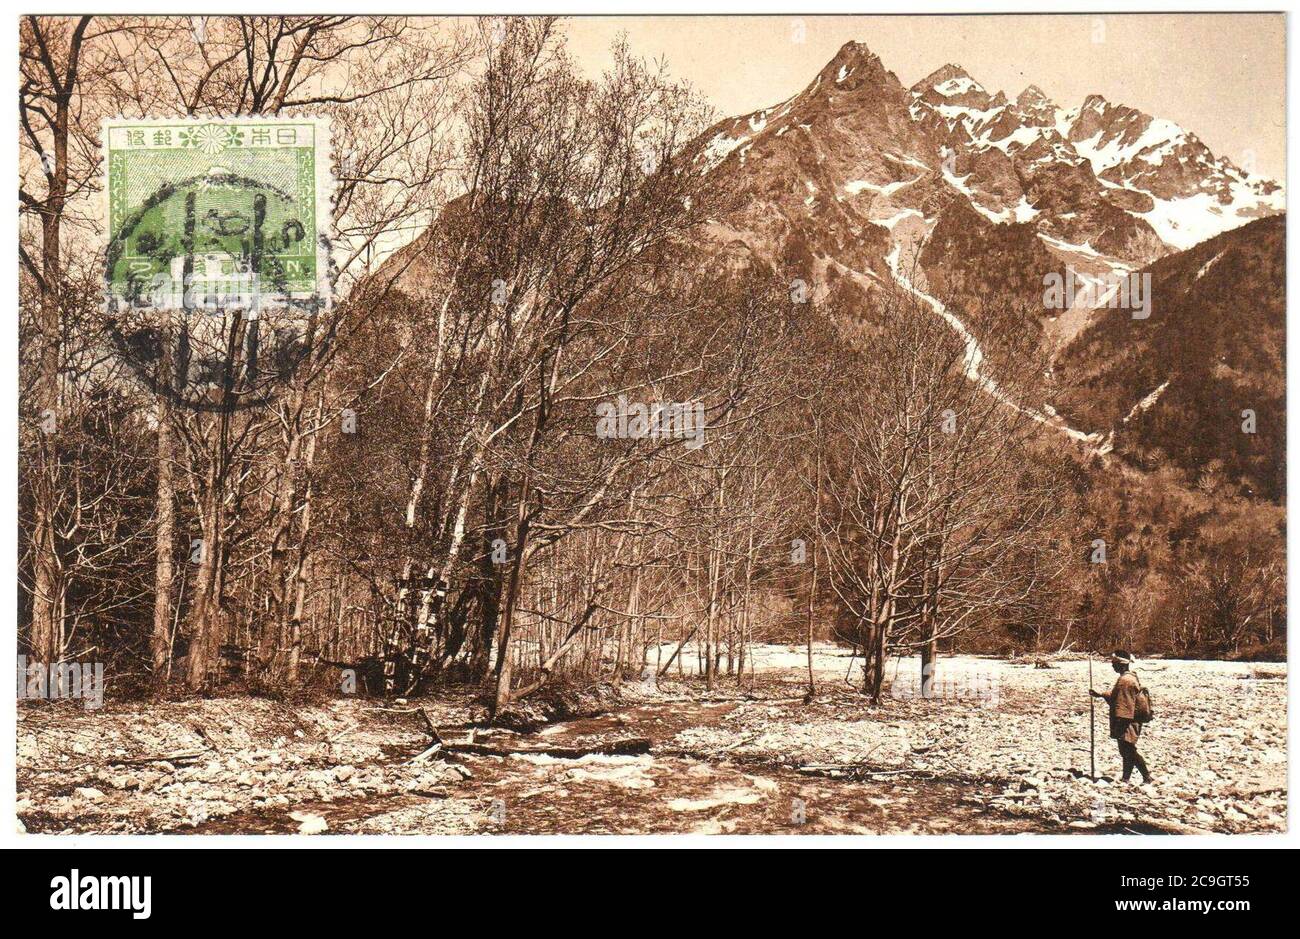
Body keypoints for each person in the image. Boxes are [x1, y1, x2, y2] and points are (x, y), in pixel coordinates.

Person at [1089, 649, 1151, 784]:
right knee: (1126, 750)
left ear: (1121, 664)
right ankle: (1126, 778)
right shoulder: (1129, 677)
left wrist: (1120, 725)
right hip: (1129, 719)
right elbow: (1116, 697)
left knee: (1128, 750)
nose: (1112, 666)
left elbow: (1125, 705)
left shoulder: (1125, 681)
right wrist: (1100, 694)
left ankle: (1146, 777)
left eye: (1114, 663)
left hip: (1128, 721)